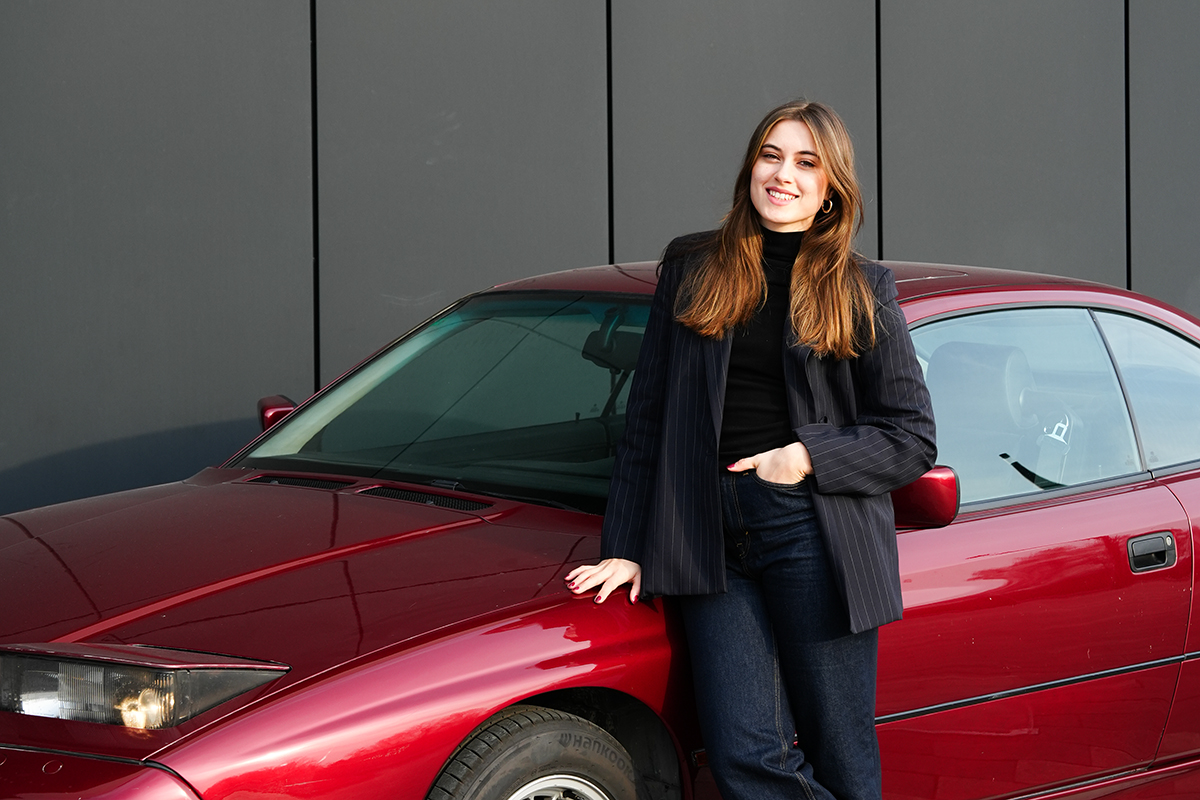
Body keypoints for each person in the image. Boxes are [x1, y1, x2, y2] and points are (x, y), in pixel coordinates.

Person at [565, 100, 936, 800]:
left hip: (811, 531)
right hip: (706, 536)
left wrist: (803, 457)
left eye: (805, 162)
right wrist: (627, 540)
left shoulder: (862, 289)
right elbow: (648, 416)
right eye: (771, 154)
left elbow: (911, 437)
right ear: (751, 166)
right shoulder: (693, 264)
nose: (783, 174)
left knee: (841, 753)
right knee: (743, 756)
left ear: (832, 189)